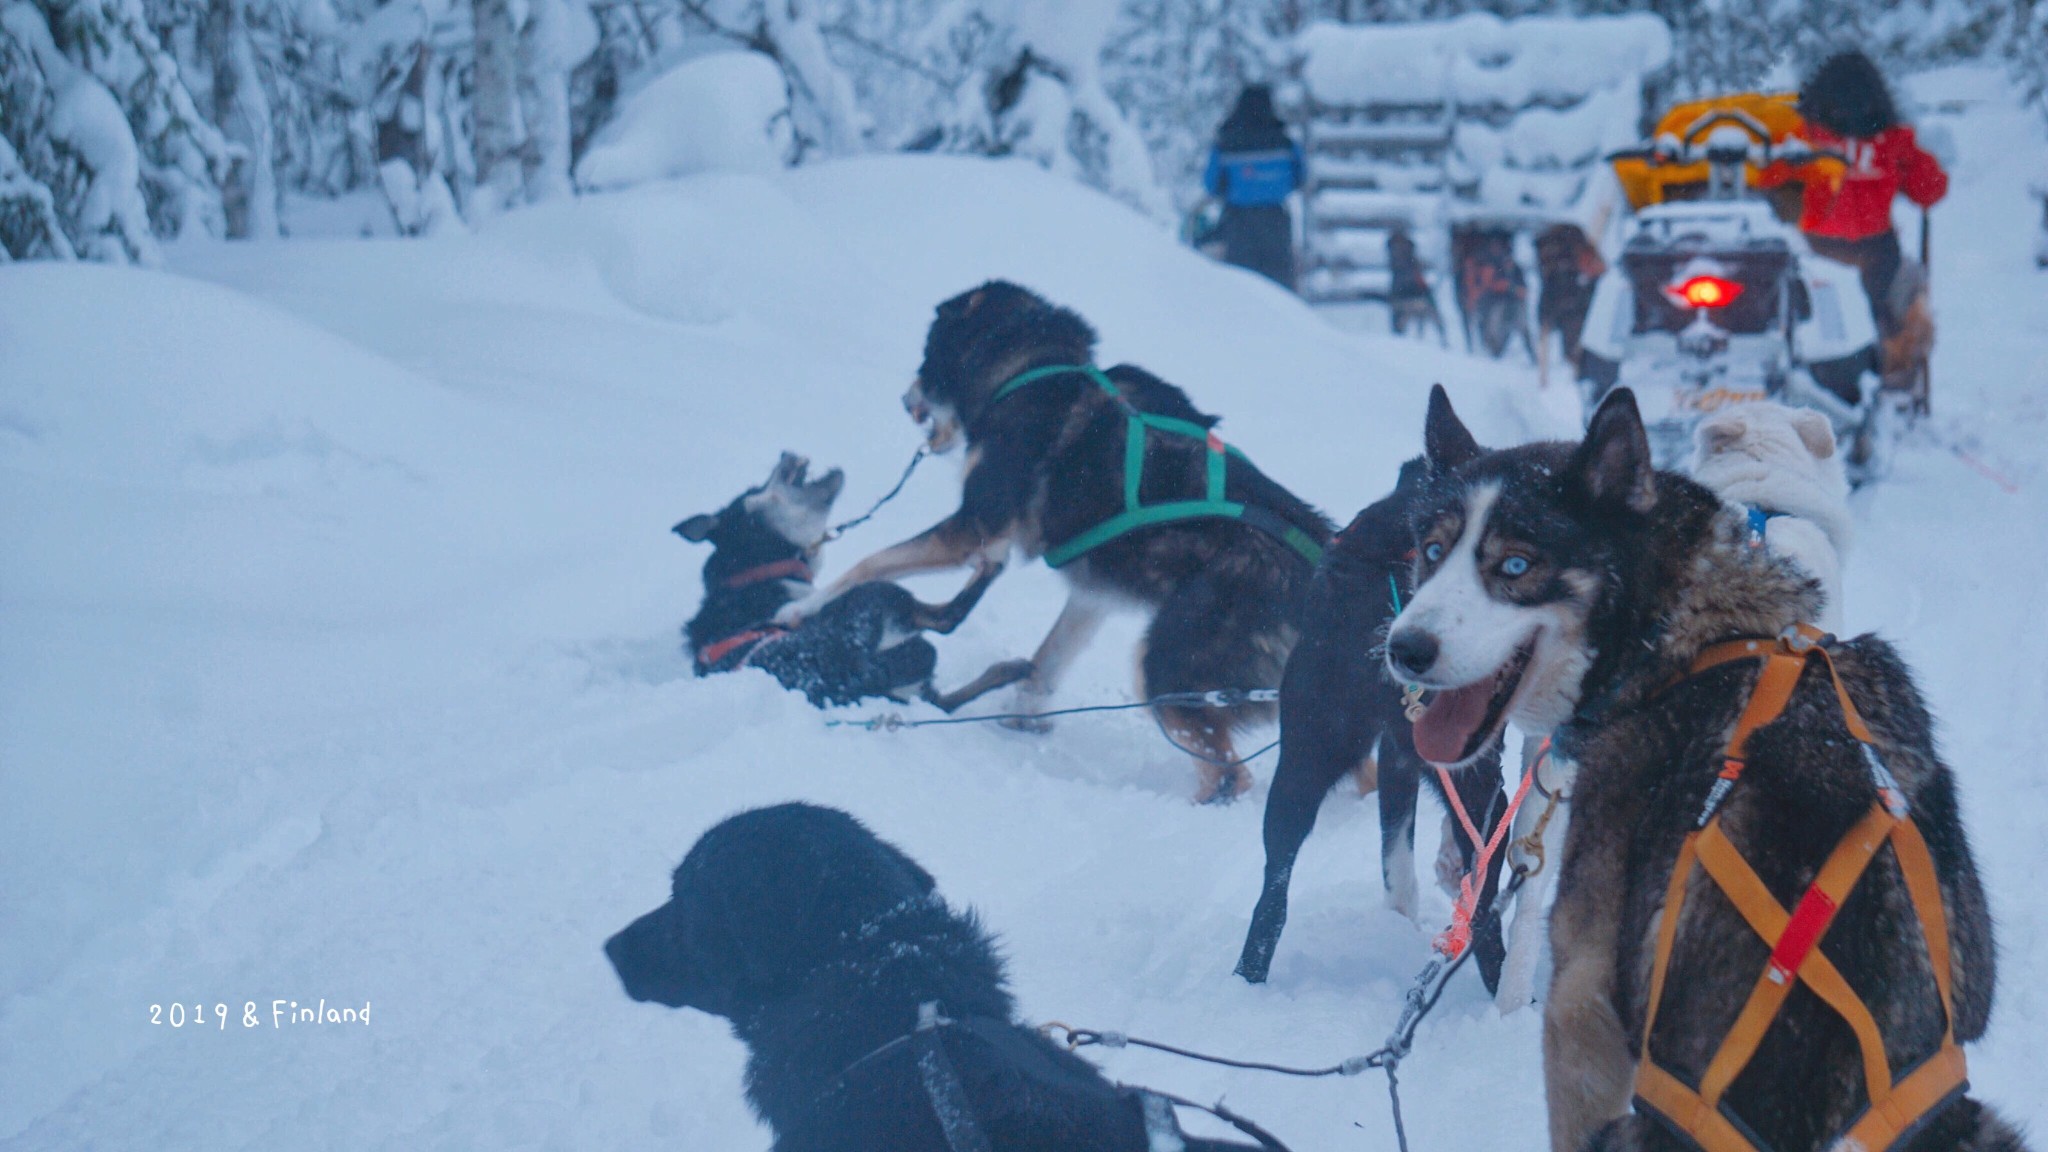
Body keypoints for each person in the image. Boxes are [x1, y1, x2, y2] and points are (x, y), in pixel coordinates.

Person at [1759, 50, 1946, 396]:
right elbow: (1930, 190)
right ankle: (1897, 377)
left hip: (1816, 252)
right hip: (1877, 256)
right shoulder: (1894, 142)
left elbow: (1767, 181)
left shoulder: (1803, 137)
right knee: (1910, 300)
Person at [1203, 85, 1303, 290]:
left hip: (1238, 223)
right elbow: (1301, 177)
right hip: (1277, 221)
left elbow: (1211, 184)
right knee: (1280, 289)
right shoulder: (1285, 143)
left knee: (1241, 287)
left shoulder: (1226, 143)